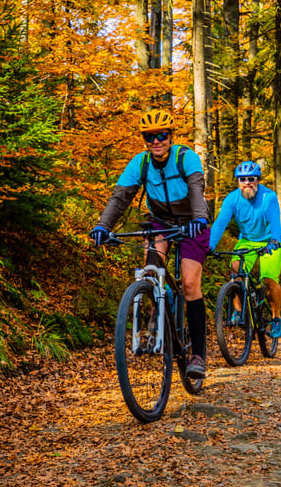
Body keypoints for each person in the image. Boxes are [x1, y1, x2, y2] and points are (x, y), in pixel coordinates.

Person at [89, 109, 212, 378]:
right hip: (159, 221)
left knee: (190, 284)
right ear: (144, 139)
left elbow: (196, 189)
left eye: (161, 135)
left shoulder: (185, 157)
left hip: (192, 221)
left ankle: (198, 355)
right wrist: (103, 226)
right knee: (151, 272)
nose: (156, 141)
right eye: (150, 137)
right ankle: (157, 314)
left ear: (171, 136)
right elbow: (120, 197)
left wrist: (199, 218)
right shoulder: (140, 163)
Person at [208, 160, 281, 338]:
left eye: (251, 179)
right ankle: (238, 311)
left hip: (271, 241)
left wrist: (274, 240)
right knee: (235, 270)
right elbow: (220, 223)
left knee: (268, 279)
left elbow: (275, 221)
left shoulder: (269, 197)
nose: (247, 183)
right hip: (248, 241)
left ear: (258, 180)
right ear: (237, 181)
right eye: (242, 179)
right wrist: (210, 245)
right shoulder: (232, 199)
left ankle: (276, 317)